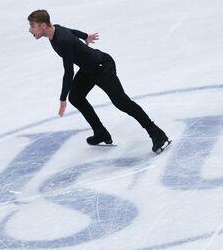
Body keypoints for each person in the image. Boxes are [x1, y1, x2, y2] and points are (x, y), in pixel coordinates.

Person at [27, 9, 170, 153]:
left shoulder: (62, 40)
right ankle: (101, 132)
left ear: (43, 25)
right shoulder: (55, 30)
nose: (30, 30)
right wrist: (85, 36)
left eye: (33, 26)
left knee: (122, 103)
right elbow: (71, 31)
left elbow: (69, 71)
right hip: (88, 69)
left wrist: (62, 98)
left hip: (102, 67)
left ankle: (157, 133)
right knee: (76, 97)